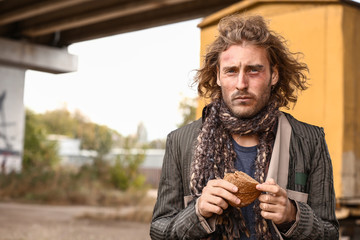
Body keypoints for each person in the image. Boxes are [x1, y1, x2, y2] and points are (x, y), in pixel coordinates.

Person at [150, 14, 339, 240]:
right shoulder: (180, 141)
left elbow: (330, 233)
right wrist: (198, 211)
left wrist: (292, 215)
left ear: (274, 74)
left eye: (254, 70)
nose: (241, 84)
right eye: (231, 71)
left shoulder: (310, 140)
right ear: (218, 76)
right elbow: (159, 231)